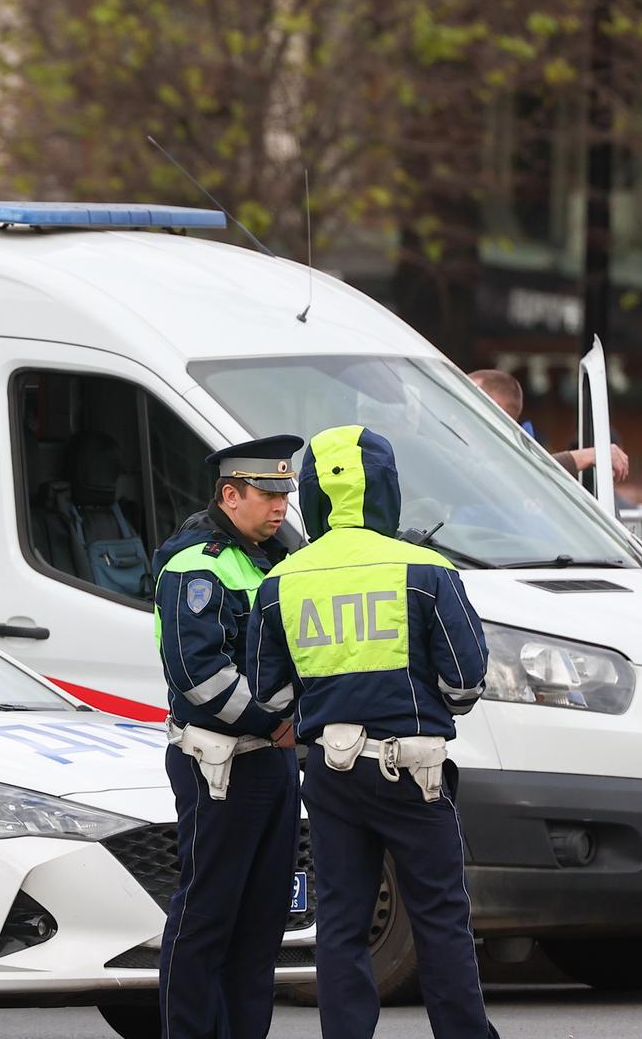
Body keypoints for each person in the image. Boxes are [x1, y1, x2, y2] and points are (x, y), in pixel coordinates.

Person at [245, 425, 497, 1039]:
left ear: (311, 495)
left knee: (340, 922)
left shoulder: (284, 579)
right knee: (439, 917)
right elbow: (467, 681)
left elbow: (266, 693)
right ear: (386, 490)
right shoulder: (426, 569)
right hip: (414, 769)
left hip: (330, 771)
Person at [151, 435, 305, 1039]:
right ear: (230, 494)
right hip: (221, 763)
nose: (279, 506)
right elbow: (198, 674)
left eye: (285, 493)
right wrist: (277, 723)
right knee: (207, 916)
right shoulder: (197, 563)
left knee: (262, 921)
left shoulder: (277, 556)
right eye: (267, 494)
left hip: (272, 762)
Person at [467, 368, 629, 481]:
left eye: (469, 397)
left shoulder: (513, 458)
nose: (457, 412)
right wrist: (590, 455)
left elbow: (526, 472)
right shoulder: (459, 449)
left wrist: (593, 455)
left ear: (494, 407)